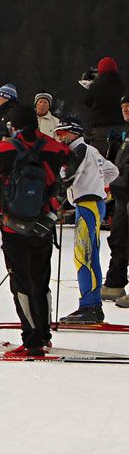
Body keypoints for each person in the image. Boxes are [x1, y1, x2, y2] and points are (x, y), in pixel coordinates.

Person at [0, 104, 69, 355]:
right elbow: (69, 160)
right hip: (42, 225)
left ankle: (31, 340)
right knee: (41, 279)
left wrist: (6, 139)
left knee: (21, 282)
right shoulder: (52, 146)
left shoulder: (8, 147)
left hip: (13, 227)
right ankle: (44, 333)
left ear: (14, 124)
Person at [53, 116, 118, 323]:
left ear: (75, 132)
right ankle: (91, 305)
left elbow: (66, 176)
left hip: (88, 204)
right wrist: (99, 185)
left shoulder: (78, 150)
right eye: (57, 133)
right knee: (88, 253)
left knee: (85, 255)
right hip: (91, 203)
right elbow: (112, 171)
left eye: (63, 133)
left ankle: (89, 306)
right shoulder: (91, 150)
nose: (60, 137)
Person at [107, 97, 129, 306]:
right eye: (123, 107)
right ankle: (115, 283)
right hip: (123, 195)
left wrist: (114, 183)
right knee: (118, 238)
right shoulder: (126, 132)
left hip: (124, 188)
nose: (125, 110)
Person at [84, 56, 125, 158]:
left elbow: (87, 102)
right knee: (119, 159)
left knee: (100, 161)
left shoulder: (96, 86)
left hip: (100, 130)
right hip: (120, 127)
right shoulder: (122, 85)